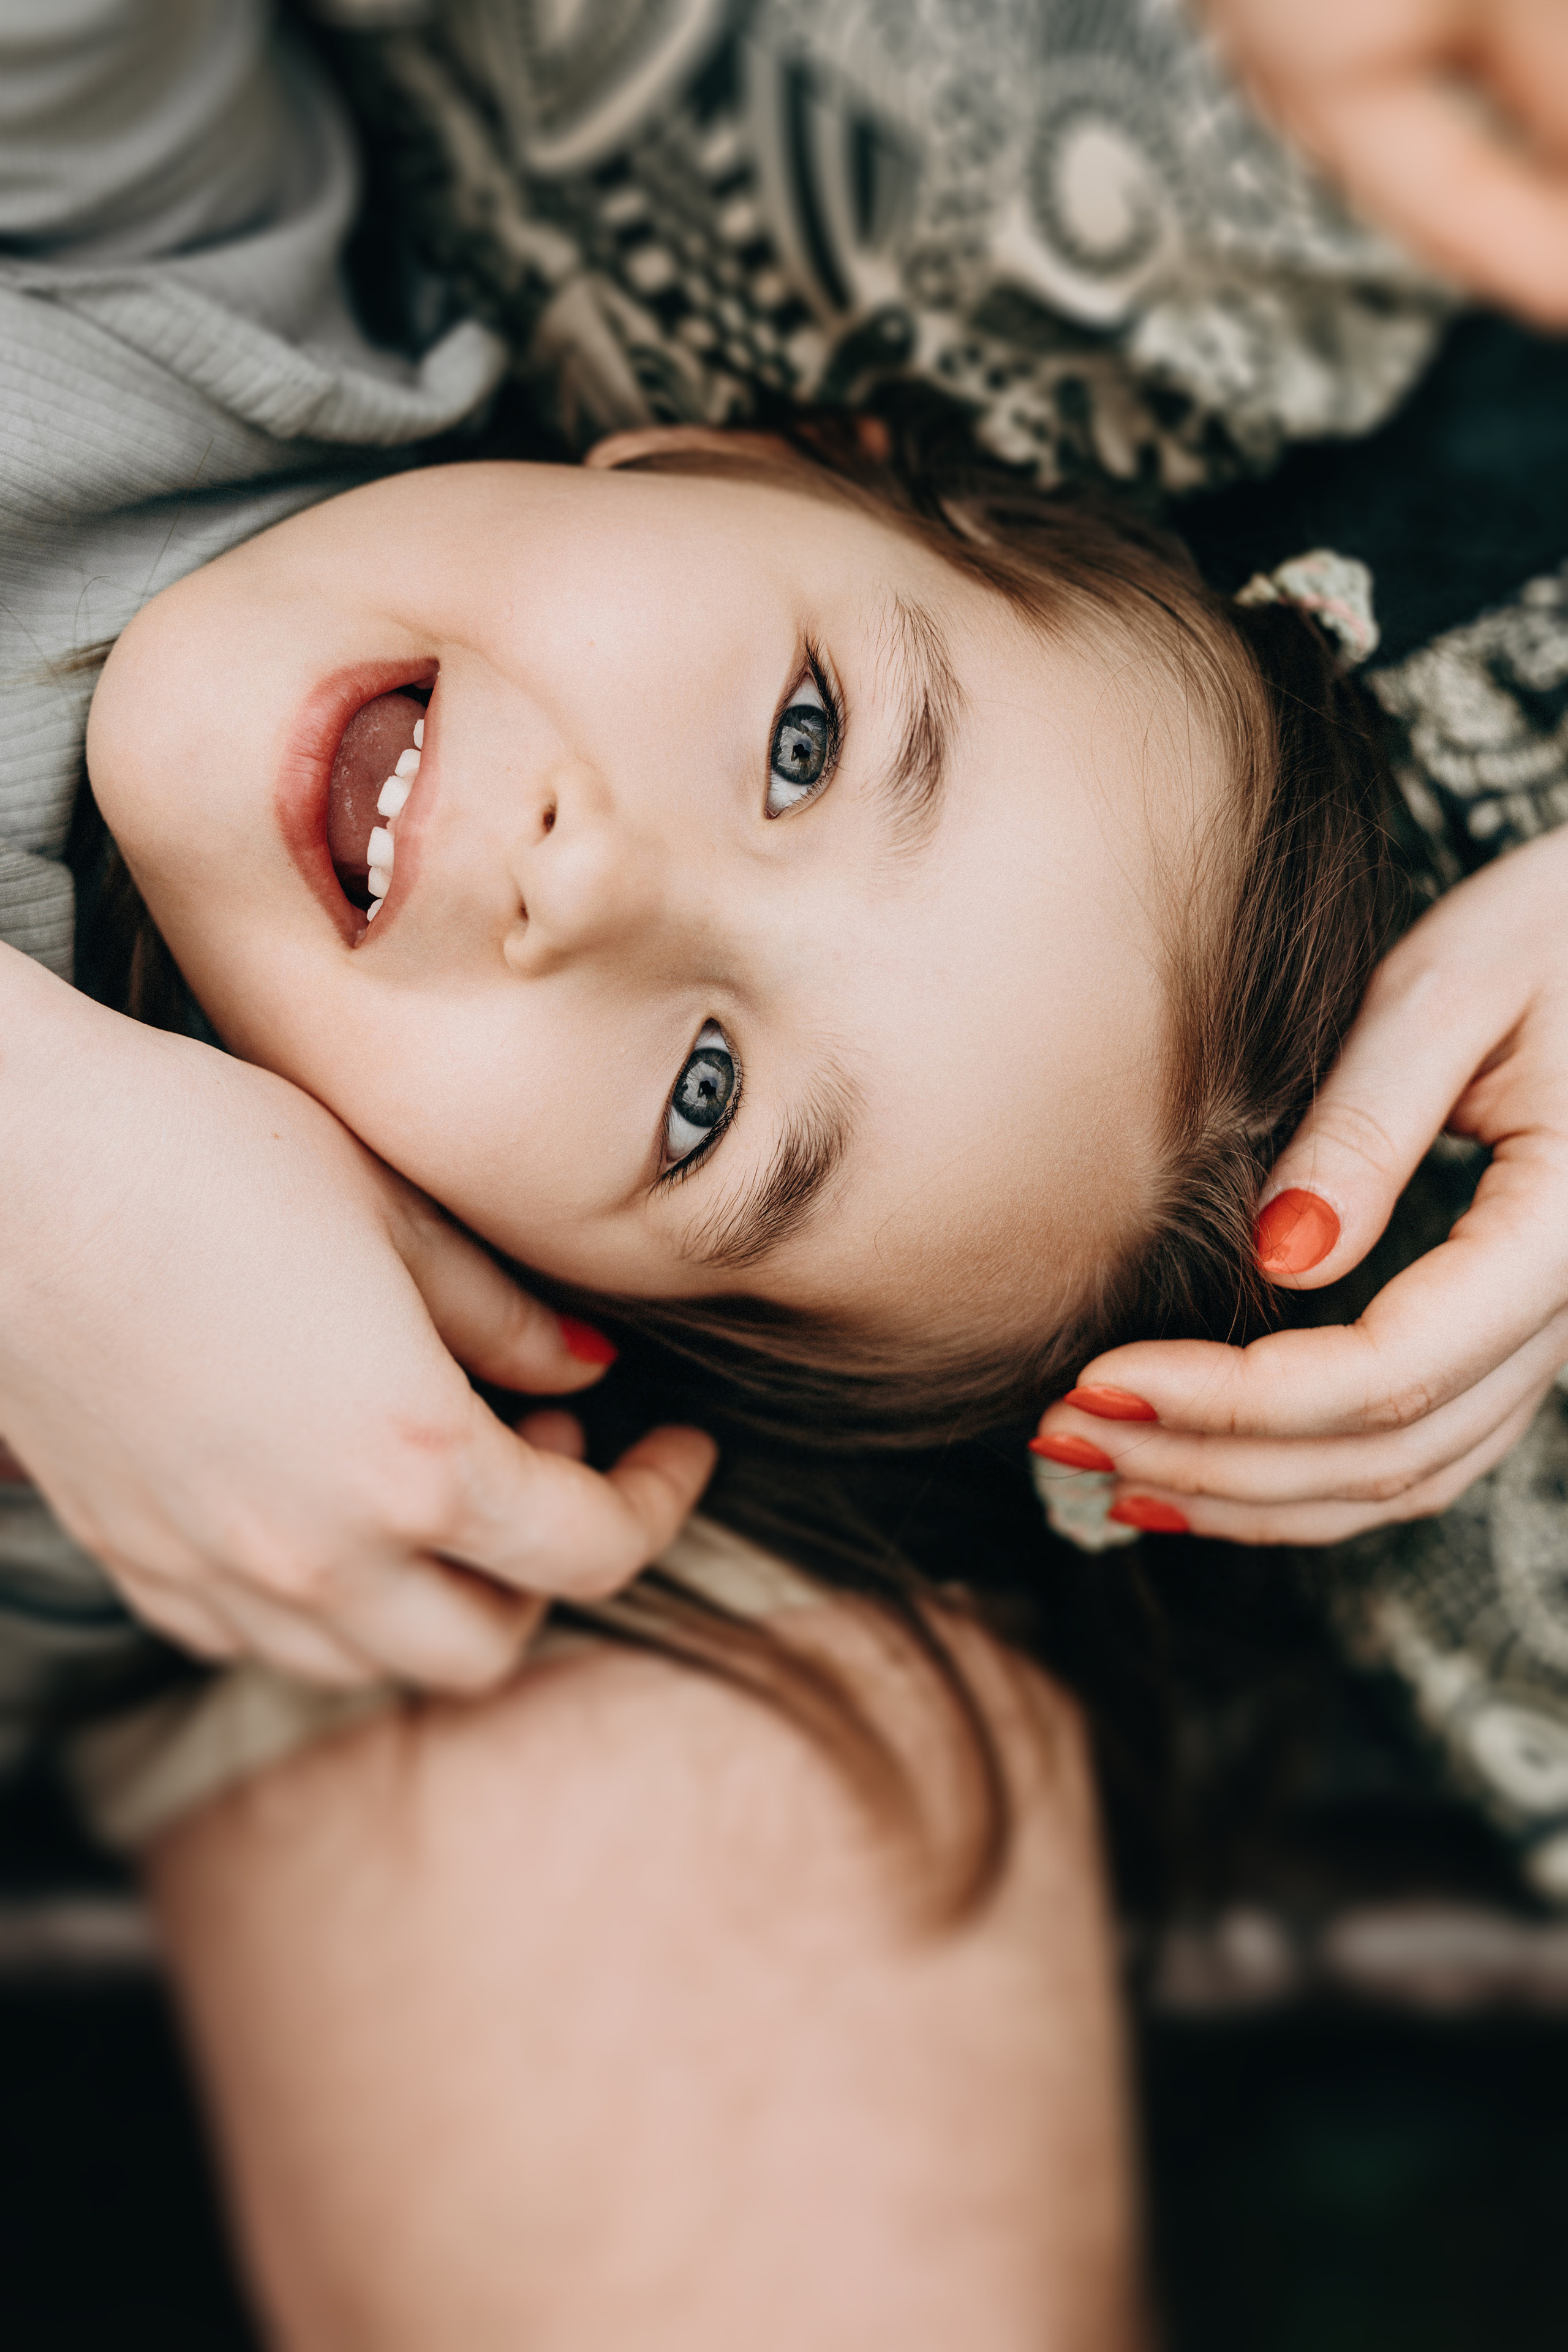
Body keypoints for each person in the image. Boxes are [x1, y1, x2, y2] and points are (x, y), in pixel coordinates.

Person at [2, 5, 1564, 2348]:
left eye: (708, 1101)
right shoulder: (155, 249)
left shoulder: (357, 1474)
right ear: (731, 460)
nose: (596, 881)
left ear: (575, 1318)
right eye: (812, 740)